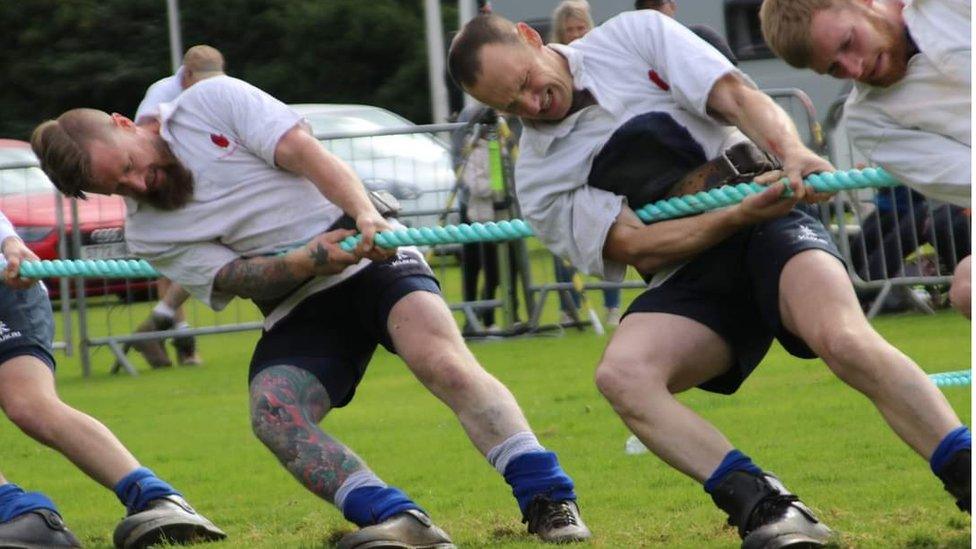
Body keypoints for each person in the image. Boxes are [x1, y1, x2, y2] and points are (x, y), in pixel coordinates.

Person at [448, 10, 971, 547]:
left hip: (771, 221)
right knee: (623, 376)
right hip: (694, 266)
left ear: (533, 40)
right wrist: (734, 216)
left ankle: (966, 472)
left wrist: (792, 154)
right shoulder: (538, 177)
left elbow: (736, 96)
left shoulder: (636, 36)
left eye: (527, 84)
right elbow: (634, 245)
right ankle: (766, 508)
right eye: (509, 106)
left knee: (841, 337)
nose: (533, 106)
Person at [31, 73, 591, 547]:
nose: (138, 183)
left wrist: (363, 215)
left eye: (130, 164)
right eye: (119, 185)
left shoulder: (212, 102)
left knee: (440, 360)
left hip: (368, 251)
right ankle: (396, 520)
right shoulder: (149, 231)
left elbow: (306, 153)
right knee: (273, 411)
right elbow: (233, 277)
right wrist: (303, 263)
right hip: (298, 301)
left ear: (125, 123)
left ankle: (549, 499)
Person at [0, 211, 225, 548]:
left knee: (28, 404)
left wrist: (10, 242)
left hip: (7, 284)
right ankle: (22, 516)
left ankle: (158, 500)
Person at [758, 0, 971, 318]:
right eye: (834, 69)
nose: (854, 69)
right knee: (968, 289)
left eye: (847, 43)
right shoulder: (868, 120)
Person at [125, 44, 227, 368]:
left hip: (190, 179)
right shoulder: (162, 92)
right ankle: (178, 338)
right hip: (158, 183)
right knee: (182, 256)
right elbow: (146, 141)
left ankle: (162, 327)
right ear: (186, 76)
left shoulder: (219, 88)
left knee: (202, 250)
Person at [549, 0, 623, 327]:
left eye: (582, 28)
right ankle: (568, 308)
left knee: (609, 229)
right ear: (560, 34)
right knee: (562, 230)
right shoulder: (550, 72)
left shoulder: (602, 64)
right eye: (570, 30)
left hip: (602, 159)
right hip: (564, 163)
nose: (577, 35)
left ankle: (612, 306)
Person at [635, 0, 739, 65]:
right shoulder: (638, 48)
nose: (652, 12)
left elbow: (730, 65)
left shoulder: (701, 34)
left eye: (657, 4)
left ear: (672, 6)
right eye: (645, 8)